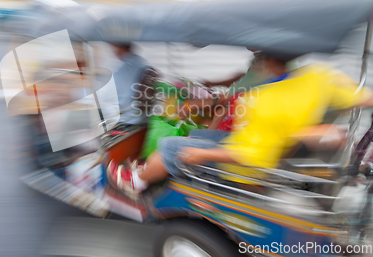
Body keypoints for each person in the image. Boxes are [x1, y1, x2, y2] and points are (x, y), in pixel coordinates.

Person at [107, 61, 373, 198]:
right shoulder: (318, 76)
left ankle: (138, 181)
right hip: (271, 150)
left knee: (172, 146)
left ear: (269, 62)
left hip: (250, 167)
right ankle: (147, 170)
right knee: (197, 135)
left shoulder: (268, 96)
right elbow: (364, 97)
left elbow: (252, 153)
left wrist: (198, 155)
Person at [109, 43, 150, 125]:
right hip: (145, 119)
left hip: (128, 120)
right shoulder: (143, 63)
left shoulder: (122, 71)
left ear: (118, 48)